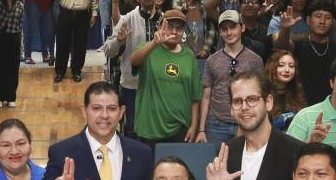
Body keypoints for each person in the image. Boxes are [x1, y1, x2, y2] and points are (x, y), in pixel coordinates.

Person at [129, 10, 202, 147]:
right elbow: (133, 61)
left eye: (179, 28)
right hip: (150, 129)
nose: (174, 31)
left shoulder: (189, 56)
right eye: (170, 26)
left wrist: (193, 126)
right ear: (160, 27)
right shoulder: (148, 49)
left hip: (180, 129)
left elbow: (195, 96)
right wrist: (154, 43)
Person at [102, 0, 162, 136]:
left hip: (159, 85)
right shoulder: (128, 19)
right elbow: (108, 50)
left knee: (156, 130)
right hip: (132, 86)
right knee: (132, 131)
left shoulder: (165, 20)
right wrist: (119, 41)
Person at [198, 10, 265, 143]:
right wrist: (201, 129)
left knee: (243, 162)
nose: (229, 33)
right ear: (220, 32)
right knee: (217, 161)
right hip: (216, 123)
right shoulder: (212, 60)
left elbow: (261, 93)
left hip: (246, 120)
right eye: (224, 29)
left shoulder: (255, 60)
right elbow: (206, 96)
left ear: (243, 27)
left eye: (233, 27)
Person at [273, 0, 336, 105]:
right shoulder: (298, 46)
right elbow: (281, 48)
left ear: (333, 23)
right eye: (318, 16)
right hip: (300, 105)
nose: (322, 21)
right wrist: (285, 28)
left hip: (331, 105)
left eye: (328, 18)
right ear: (308, 20)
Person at [46, 0, 98, 83]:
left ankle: (76, 71)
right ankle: (60, 72)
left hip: (83, 15)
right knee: (63, 44)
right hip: (65, 13)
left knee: (80, 45)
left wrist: (94, 14)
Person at [0, 0, 25, 108]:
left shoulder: (20, 5)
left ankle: (11, 96)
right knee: (0, 68)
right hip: (0, 37)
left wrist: (21, 43)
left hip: (14, 37)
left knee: (13, 68)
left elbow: (21, 25)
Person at [266, 50, 306, 131]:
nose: (287, 70)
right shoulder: (263, 95)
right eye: (281, 65)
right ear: (272, 67)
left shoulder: (298, 94)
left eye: (291, 66)